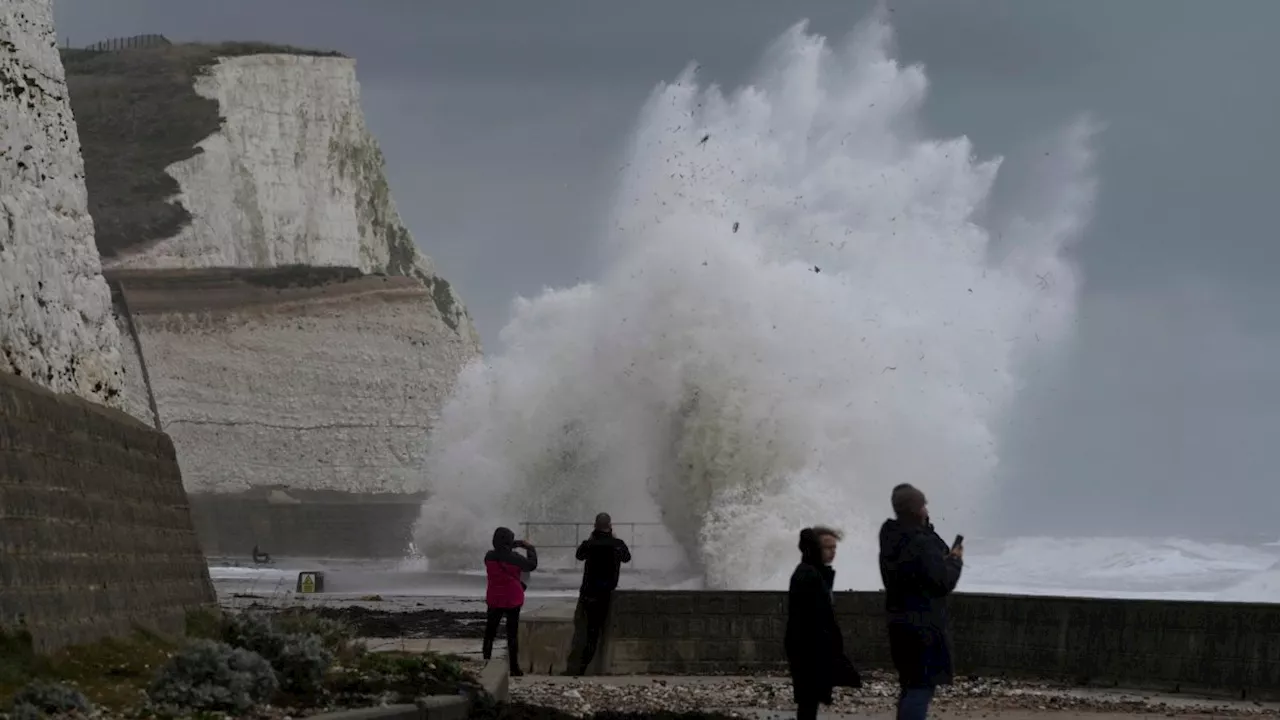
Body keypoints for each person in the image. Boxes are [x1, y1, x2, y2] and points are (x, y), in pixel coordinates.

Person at [878, 484, 964, 720]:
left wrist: (926, 531)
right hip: (923, 626)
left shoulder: (891, 536)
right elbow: (942, 582)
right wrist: (955, 561)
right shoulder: (921, 543)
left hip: (898, 621)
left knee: (909, 684)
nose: (927, 509)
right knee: (921, 687)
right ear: (918, 509)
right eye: (924, 505)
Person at [785, 526, 861, 720]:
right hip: (808, 648)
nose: (832, 552)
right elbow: (813, 618)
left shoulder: (815, 573)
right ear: (814, 548)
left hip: (811, 647)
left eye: (835, 548)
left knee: (809, 700)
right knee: (808, 700)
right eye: (828, 547)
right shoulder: (808, 575)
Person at [568, 512, 631, 676]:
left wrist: (591, 538)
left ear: (595, 526)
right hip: (606, 594)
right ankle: (587, 666)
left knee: (585, 631)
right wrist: (613, 538)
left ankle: (579, 667)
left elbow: (579, 555)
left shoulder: (590, 544)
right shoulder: (617, 544)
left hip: (588, 593)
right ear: (610, 526)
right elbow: (627, 558)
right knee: (596, 633)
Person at [483, 526, 538, 676]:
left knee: (490, 632)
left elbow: (501, 549)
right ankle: (514, 668)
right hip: (512, 598)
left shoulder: (489, 557)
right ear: (509, 541)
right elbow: (531, 565)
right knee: (512, 634)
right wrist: (529, 547)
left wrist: (516, 543)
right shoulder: (516, 559)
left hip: (494, 598)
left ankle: (486, 661)